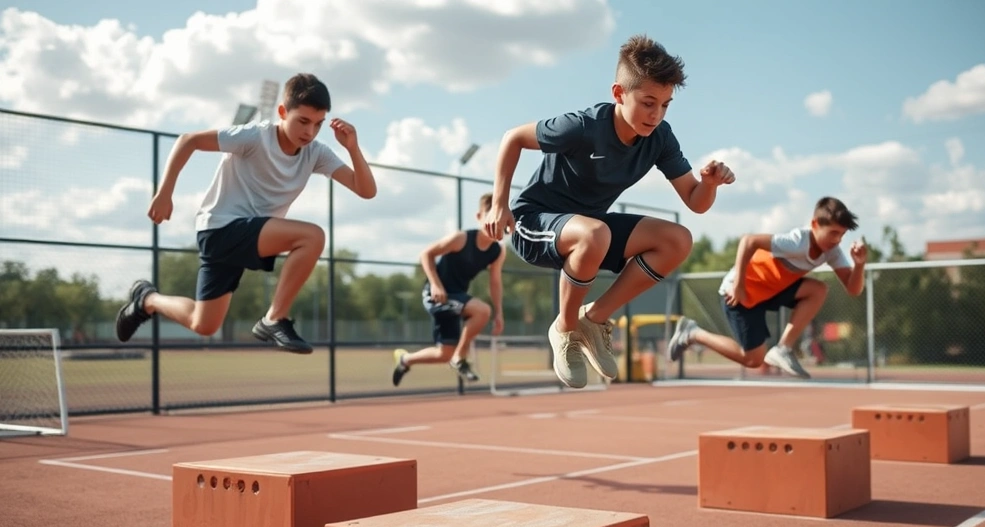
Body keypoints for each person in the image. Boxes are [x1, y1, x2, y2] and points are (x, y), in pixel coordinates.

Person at [483, 34, 735, 389]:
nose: (656, 114)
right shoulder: (583, 127)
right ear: (619, 94)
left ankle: (593, 318)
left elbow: (695, 202)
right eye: (648, 102)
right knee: (594, 233)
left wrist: (709, 183)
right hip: (535, 223)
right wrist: (499, 204)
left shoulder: (660, 138)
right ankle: (565, 329)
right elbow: (513, 138)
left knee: (677, 240)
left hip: (591, 231)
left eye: (665, 105)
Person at [114, 73, 377, 354]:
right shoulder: (255, 136)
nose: (309, 132)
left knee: (203, 324)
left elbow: (366, 190)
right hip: (221, 227)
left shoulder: (315, 153)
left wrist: (352, 148)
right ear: (282, 112)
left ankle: (147, 300)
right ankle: (274, 319)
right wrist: (165, 192)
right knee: (312, 237)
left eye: (318, 124)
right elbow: (188, 140)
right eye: (302, 121)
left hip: (246, 234)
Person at [667, 196, 868, 379]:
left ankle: (783, 348)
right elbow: (749, 241)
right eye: (833, 233)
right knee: (753, 360)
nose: (837, 240)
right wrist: (738, 284)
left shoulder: (831, 251)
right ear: (815, 224)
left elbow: (853, 289)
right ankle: (693, 333)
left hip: (772, 290)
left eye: (841, 235)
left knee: (818, 290)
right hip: (740, 293)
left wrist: (859, 265)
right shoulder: (797, 242)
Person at [392, 193, 506, 386]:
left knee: (444, 353)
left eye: (501, 216)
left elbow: (495, 281)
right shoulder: (461, 239)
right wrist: (435, 284)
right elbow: (426, 254)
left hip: (456, 298)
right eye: (491, 215)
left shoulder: (497, 251)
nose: (496, 222)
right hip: (436, 295)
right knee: (482, 310)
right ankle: (459, 359)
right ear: (479, 217)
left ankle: (405, 360)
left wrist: (499, 313)